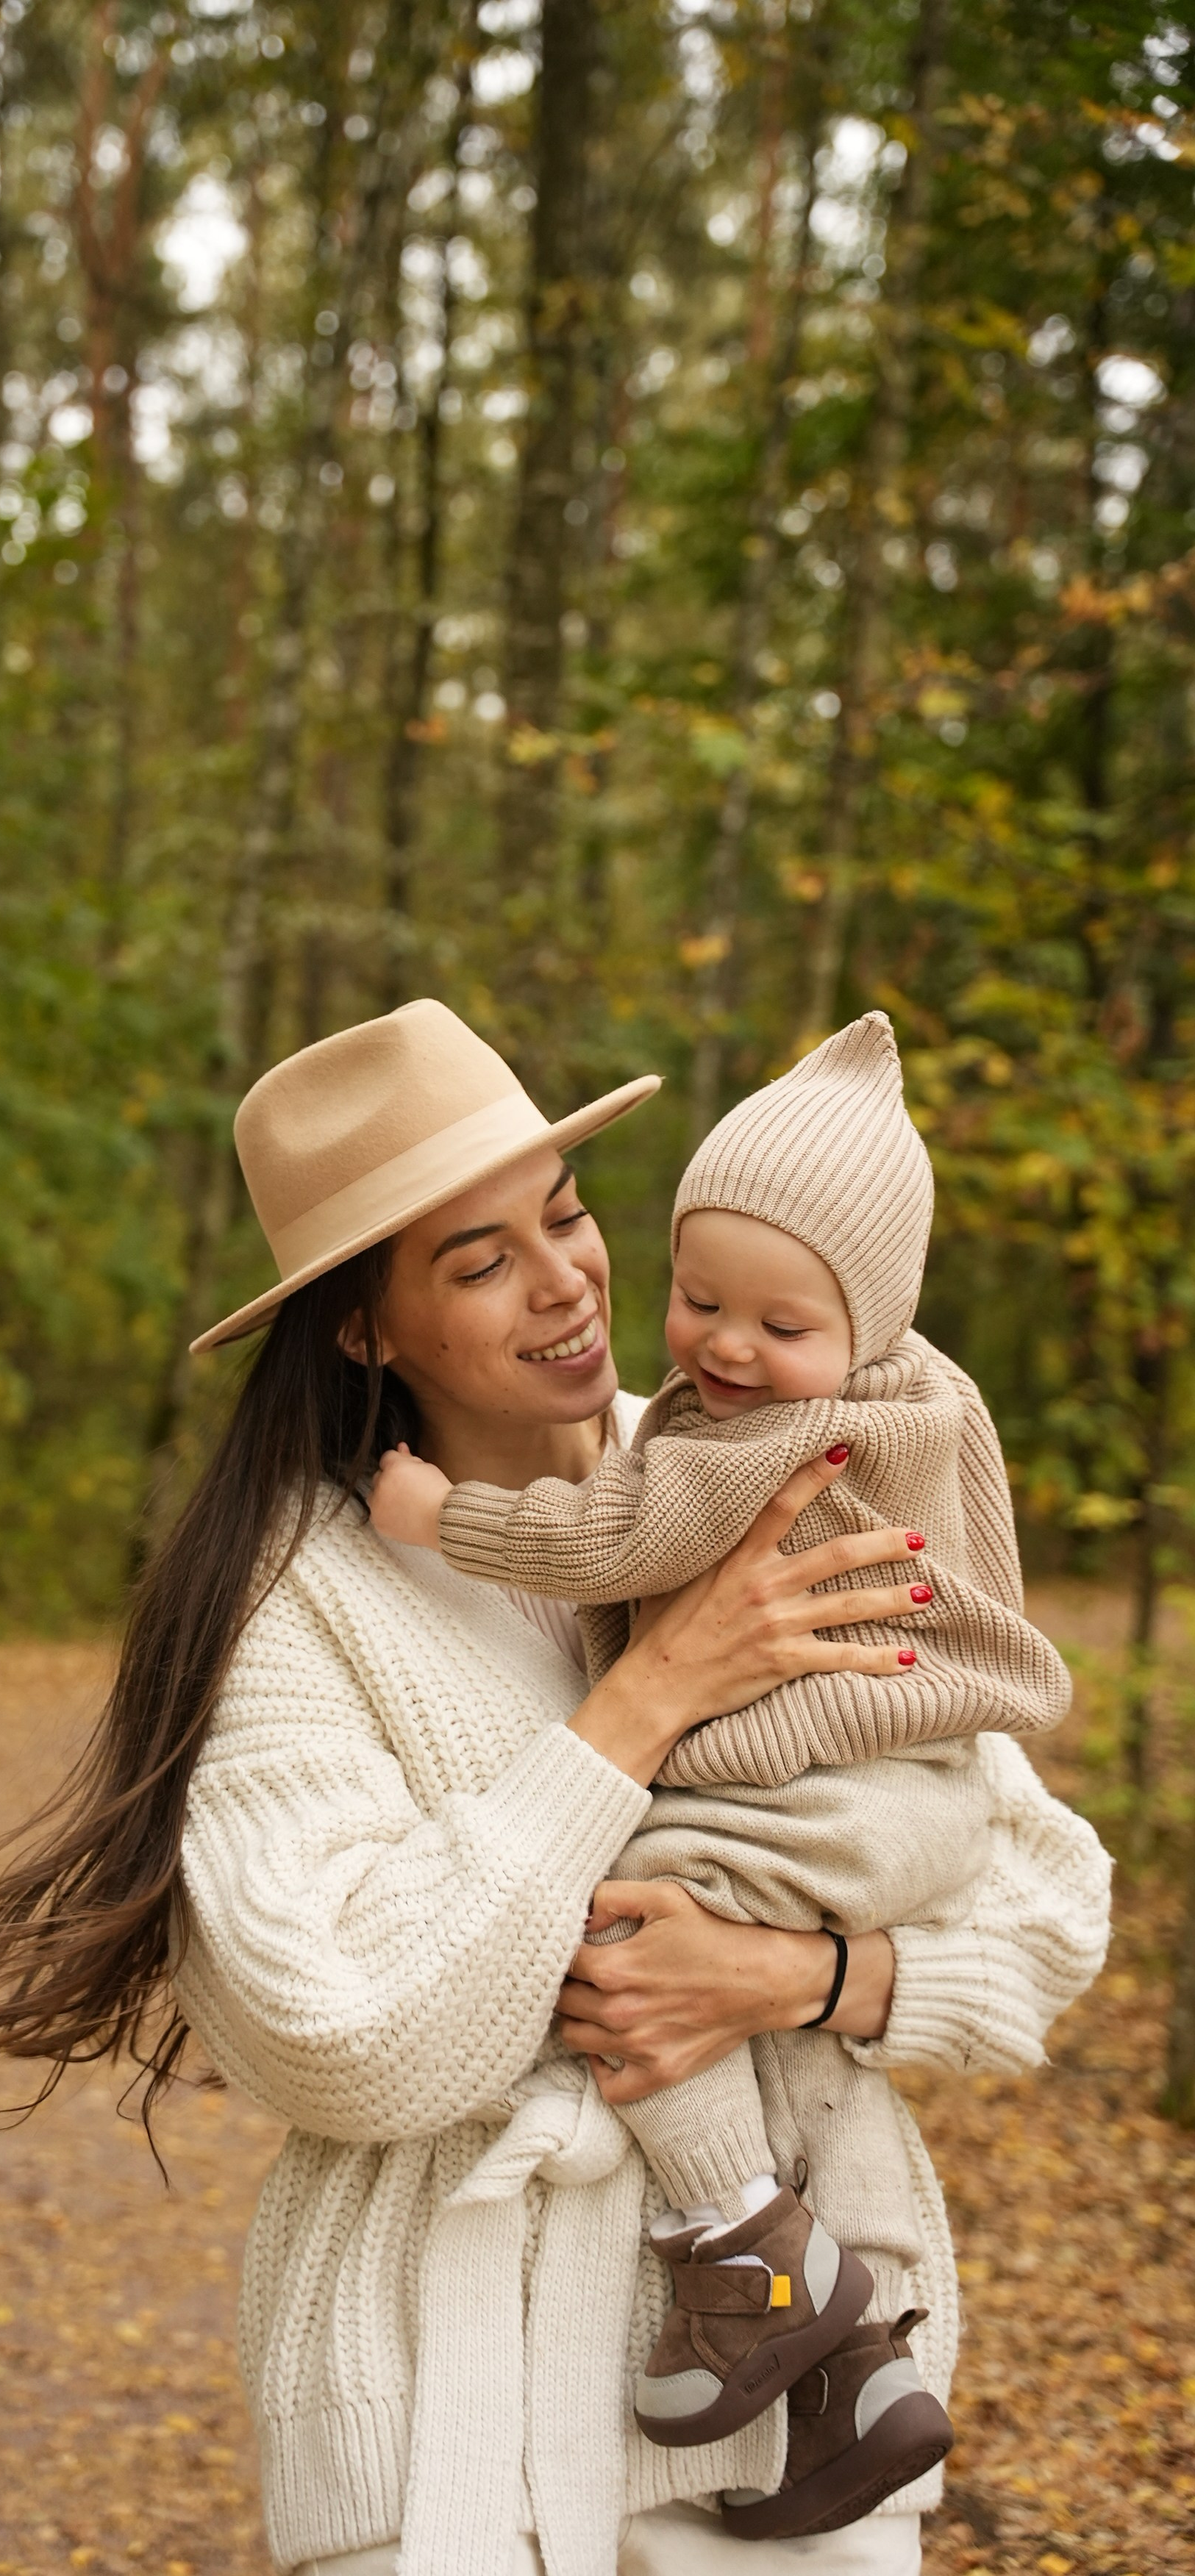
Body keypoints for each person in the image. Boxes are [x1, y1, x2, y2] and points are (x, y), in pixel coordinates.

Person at [0, 999, 1110, 2576]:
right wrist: (649, 1696)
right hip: (446, 2432)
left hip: (805, 2443)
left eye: (563, 1214)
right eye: (478, 1260)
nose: (565, 1278)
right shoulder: (297, 1601)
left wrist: (807, 1972)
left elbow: (1047, 1904)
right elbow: (345, 2036)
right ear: (365, 1327)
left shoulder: (771, 1470)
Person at [365, 1012, 1072, 2527]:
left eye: (563, 1218)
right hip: (911, 1796)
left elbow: (613, 1539)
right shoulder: (917, 1400)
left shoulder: (742, 1446)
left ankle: (750, 2252)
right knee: (715, 1997)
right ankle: (851, 2384)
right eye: (699, 1302)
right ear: (362, 1324)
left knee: (624, 1927)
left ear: (865, 1327)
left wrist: (437, 1521)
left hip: (844, 1806)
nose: (726, 1352)